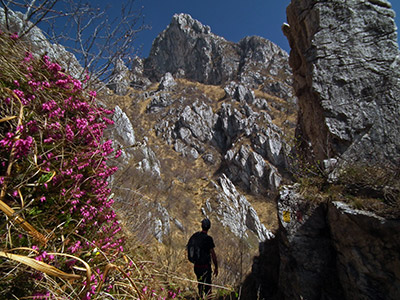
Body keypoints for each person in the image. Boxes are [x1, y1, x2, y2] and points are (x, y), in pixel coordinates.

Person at [189, 218, 218, 298]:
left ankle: (200, 296)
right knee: (208, 287)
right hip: (205, 267)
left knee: (200, 284)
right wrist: (216, 267)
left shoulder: (195, 236)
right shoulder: (208, 239)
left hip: (196, 266)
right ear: (209, 227)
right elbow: (213, 254)